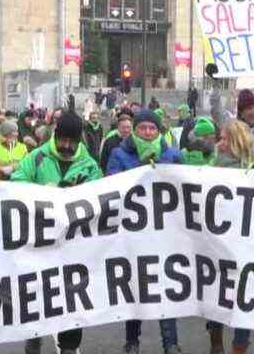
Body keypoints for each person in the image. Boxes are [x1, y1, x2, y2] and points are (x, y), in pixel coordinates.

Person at [11, 112, 102, 354]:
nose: (67, 146)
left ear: (79, 140)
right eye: (63, 140)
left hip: (74, 242)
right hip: (41, 240)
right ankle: (35, 335)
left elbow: (100, 195)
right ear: (55, 135)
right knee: (39, 290)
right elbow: (17, 181)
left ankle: (70, 344)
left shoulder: (89, 164)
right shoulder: (37, 157)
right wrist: (42, 192)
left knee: (73, 295)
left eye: (72, 142)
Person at [105, 109, 183, 354]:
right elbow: (111, 184)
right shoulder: (119, 154)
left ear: (159, 131)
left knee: (167, 287)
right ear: (135, 130)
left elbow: (187, 187)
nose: (148, 132)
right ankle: (132, 341)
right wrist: (141, 170)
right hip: (134, 233)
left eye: (153, 128)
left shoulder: (173, 155)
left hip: (165, 233)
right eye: (143, 128)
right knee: (136, 287)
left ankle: (170, 342)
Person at [206, 119, 254, 354]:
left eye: (225, 139)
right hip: (217, 243)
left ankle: (239, 347)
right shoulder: (212, 168)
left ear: (237, 142)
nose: (220, 143)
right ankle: (216, 342)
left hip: (245, 245)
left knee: (243, 298)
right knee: (216, 294)